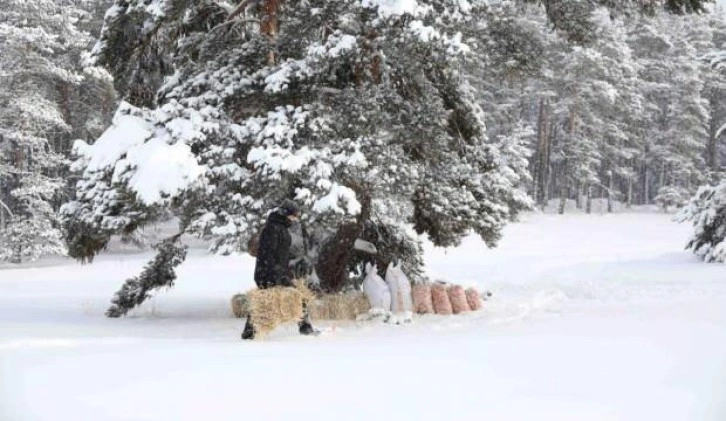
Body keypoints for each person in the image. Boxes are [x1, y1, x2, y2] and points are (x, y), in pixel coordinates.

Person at [242, 199, 317, 340]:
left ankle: (249, 331)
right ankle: (305, 327)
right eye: (293, 215)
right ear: (285, 214)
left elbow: (281, 254)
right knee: (295, 295)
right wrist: (275, 272)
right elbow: (267, 254)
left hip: (276, 272)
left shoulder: (281, 228)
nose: (295, 219)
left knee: (267, 298)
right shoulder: (272, 229)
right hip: (267, 273)